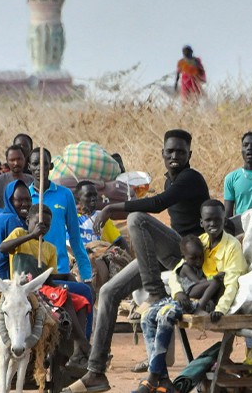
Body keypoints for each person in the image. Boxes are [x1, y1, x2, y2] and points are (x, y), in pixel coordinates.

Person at [66, 129, 210, 393]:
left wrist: (111, 208)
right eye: (171, 151)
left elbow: (157, 204)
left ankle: (154, 295)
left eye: (181, 151)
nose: (175, 156)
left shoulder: (191, 178)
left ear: (190, 154)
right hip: (166, 256)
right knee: (108, 291)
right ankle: (96, 372)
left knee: (137, 218)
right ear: (163, 154)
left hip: (187, 257)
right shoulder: (170, 179)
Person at [135, 200, 247, 392]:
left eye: (217, 220)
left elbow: (232, 283)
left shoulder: (232, 247)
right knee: (147, 316)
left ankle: (153, 375)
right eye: (208, 220)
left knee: (166, 315)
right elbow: (177, 271)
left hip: (209, 301)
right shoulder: (200, 241)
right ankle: (163, 380)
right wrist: (178, 292)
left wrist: (220, 309)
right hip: (188, 297)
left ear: (224, 220)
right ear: (202, 222)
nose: (213, 224)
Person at [0, 203, 93, 368]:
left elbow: (48, 279)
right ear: (28, 221)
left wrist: (66, 277)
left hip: (42, 288)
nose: (43, 228)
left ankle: (78, 349)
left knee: (81, 302)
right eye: (38, 224)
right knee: (65, 298)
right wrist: (31, 235)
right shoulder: (19, 234)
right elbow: (3, 248)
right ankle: (84, 345)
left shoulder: (50, 249)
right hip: (22, 291)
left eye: (47, 225)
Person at [29, 147, 93, 280]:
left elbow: (75, 238)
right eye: (35, 164)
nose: (39, 168)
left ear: (50, 166)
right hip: (31, 271)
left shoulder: (65, 194)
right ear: (29, 167)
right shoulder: (25, 196)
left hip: (59, 270)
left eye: (44, 164)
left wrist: (87, 277)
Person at [0, 145, 36, 209]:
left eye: (19, 159)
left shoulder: (32, 180)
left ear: (24, 159)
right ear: (7, 161)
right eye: (12, 160)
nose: (16, 163)